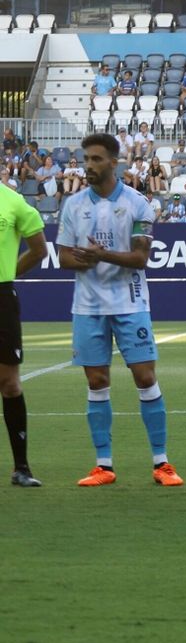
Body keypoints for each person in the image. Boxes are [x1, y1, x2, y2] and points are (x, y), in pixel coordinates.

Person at [56, 134, 182, 488]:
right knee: (97, 382)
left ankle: (162, 463)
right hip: (87, 307)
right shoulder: (73, 204)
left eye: (96, 159)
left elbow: (141, 258)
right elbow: (63, 256)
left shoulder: (138, 203)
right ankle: (104, 465)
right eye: (86, 159)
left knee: (145, 377)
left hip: (130, 304)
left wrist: (100, 255)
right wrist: (81, 259)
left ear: (115, 162)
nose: (89, 166)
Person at [0, 177, 48, 487]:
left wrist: (9, 273)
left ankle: (22, 468)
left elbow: (38, 249)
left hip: (2, 298)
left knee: (9, 383)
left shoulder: (13, 201)